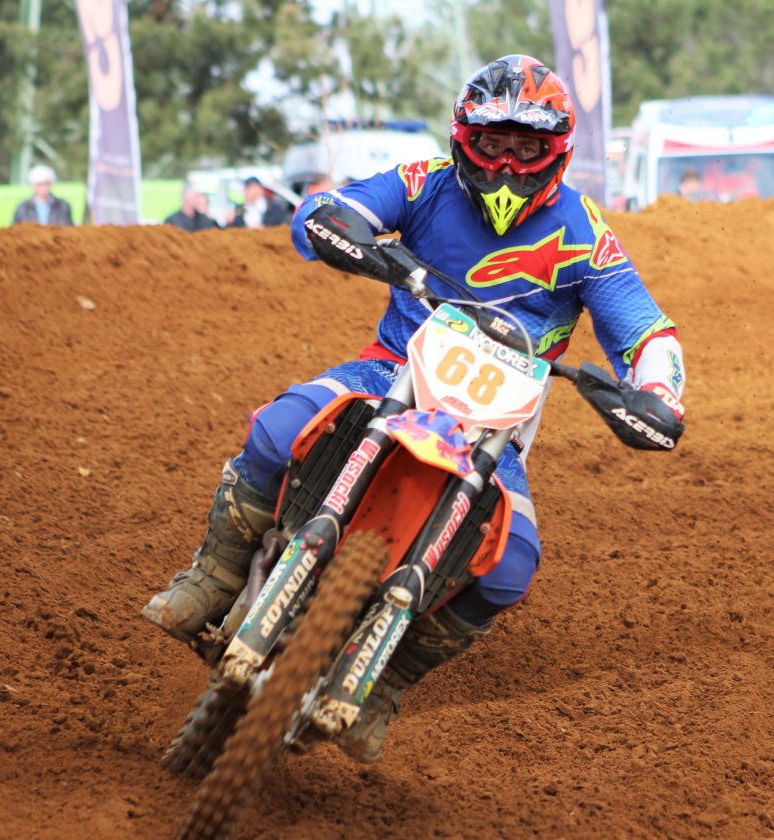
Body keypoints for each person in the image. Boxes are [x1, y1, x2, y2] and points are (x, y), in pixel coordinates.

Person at [141, 55, 687, 764]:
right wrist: (336, 224)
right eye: (492, 143)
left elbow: (646, 331)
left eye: (525, 148)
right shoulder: (424, 183)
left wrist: (658, 392)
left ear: (555, 151)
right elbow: (329, 211)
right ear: (464, 138)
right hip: (390, 371)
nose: (507, 163)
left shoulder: (584, 233)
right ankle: (213, 575)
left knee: (511, 568)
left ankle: (388, 682)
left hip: (495, 428)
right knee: (279, 431)